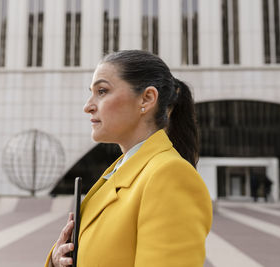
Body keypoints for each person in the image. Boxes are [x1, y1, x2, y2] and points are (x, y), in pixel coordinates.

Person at [45, 50, 213, 267]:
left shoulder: (169, 175)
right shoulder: (120, 172)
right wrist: (58, 262)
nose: (88, 106)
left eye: (102, 91)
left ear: (147, 98)